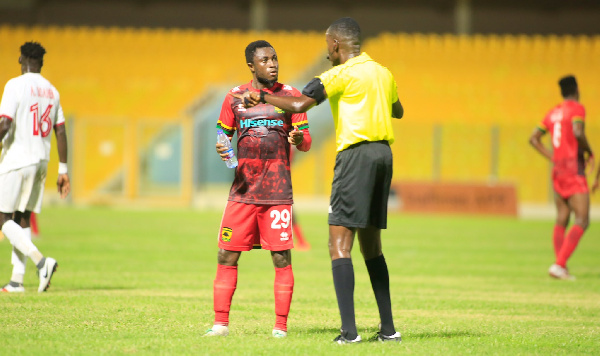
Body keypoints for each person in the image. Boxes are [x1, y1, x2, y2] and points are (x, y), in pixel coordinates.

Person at [235, 17, 403, 343]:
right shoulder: (383, 72)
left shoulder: (339, 73)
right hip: (383, 156)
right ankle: (388, 329)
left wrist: (264, 98)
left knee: (338, 244)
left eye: (328, 45)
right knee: (372, 246)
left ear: (336, 44)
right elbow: (398, 111)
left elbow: (299, 104)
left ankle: (349, 333)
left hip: (355, 156)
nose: (327, 52)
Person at [204, 40, 312, 338]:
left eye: (275, 58)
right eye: (265, 60)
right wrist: (222, 147)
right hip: (242, 192)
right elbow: (222, 133)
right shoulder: (234, 97)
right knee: (226, 255)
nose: (273, 64)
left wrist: (298, 140)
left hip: (277, 193)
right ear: (252, 65)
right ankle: (220, 325)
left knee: (281, 258)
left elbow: (306, 140)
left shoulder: (291, 96)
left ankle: (280, 328)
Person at [0, 41, 70, 293]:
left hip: (17, 159)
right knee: (22, 219)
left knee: (3, 219)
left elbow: (5, 124)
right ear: (41, 63)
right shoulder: (52, 91)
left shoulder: (14, 85)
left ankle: (42, 262)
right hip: (41, 160)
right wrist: (63, 170)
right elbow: (60, 131)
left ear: (21, 60)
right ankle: (17, 281)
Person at [529, 75, 594, 281]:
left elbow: (533, 138)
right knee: (582, 219)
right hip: (573, 168)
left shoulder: (553, 112)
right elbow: (577, 131)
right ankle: (559, 264)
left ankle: (560, 266)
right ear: (576, 89)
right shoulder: (576, 108)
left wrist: (554, 157)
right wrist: (589, 151)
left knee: (562, 217)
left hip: (558, 170)